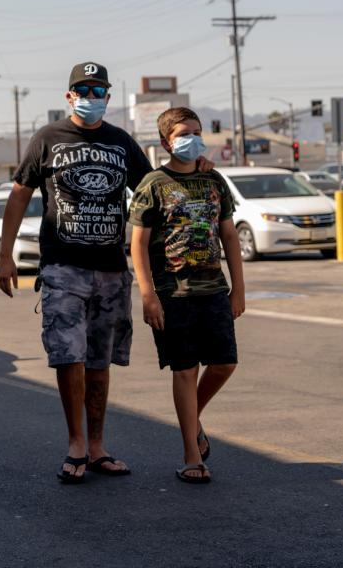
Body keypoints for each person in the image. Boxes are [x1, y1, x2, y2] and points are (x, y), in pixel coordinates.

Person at [0, 62, 154, 483]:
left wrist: (196, 171)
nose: (90, 95)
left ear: (108, 95)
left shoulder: (121, 142)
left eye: (98, 89)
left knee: (99, 361)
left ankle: (98, 446)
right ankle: (76, 444)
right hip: (63, 267)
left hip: (110, 270)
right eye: (82, 89)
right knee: (69, 356)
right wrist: (5, 254)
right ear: (69, 96)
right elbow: (19, 194)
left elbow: (153, 192)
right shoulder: (48, 138)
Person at [128, 106, 244, 484]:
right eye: (183, 133)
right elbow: (138, 245)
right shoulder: (153, 185)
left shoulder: (215, 181)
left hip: (213, 289)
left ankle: (192, 419)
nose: (192, 138)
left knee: (225, 363)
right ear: (165, 142)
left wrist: (238, 289)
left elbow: (229, 236)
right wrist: (148, 296)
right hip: (172, 293)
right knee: (184, 370)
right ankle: (192, 456)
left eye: (197, 131)